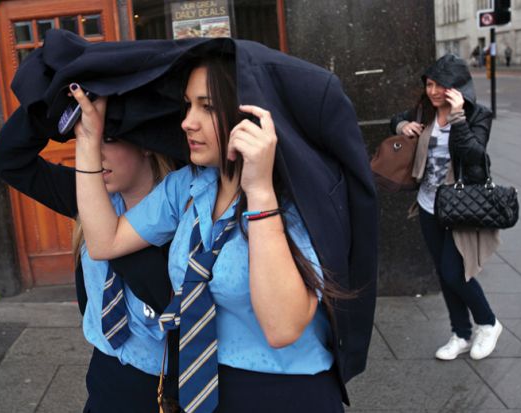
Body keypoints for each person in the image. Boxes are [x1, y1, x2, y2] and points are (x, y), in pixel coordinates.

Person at [73, 52, 352, 412]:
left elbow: (282, 328)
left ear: (249, 114)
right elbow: (103, 240)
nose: (188, 122)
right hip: (205, 388)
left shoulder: (296, 198)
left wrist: (260, 191)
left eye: (207, 107)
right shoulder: (188, 186)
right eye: (188, 106)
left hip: (285, 392)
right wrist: (88, 142)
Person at [0, 106, 177, 412]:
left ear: (145, 143)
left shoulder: (183, 210)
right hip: (105, 372)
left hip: (163, 385)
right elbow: (7, 159)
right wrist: (57, 99)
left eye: (108, 139)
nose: (93, 153)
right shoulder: (90, 197)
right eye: (85, 141)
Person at [390, 54, 502, 361]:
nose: (434, 91)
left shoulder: (477, 115)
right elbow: (394, 120)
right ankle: (461, 334)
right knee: (443, 271)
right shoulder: (424, 110)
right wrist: (403, 125)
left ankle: (489, 322)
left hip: (461, 205)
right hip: (429, 205)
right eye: (430, 84)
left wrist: (456, 116)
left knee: (455, 272)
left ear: (458, 87)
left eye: (442, 85)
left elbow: (474, 153)